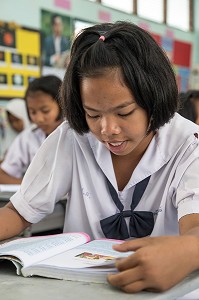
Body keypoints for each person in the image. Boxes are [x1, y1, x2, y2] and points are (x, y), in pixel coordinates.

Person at [0, 21, 199, 293]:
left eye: (124, 113)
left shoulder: (189, 144)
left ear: (153, 98)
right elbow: (20, 211)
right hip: (77, 290)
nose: (107, 130)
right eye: (93, 114)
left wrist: (186, 252)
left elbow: (195, 227)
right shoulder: (73, 136)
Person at [0, 75, 63, 184]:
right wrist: (31, 187)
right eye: (32, 112)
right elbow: (3, 174)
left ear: (62, 104)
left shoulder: (78, 133)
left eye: (45, 111)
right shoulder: (28, 137)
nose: (38, 119)